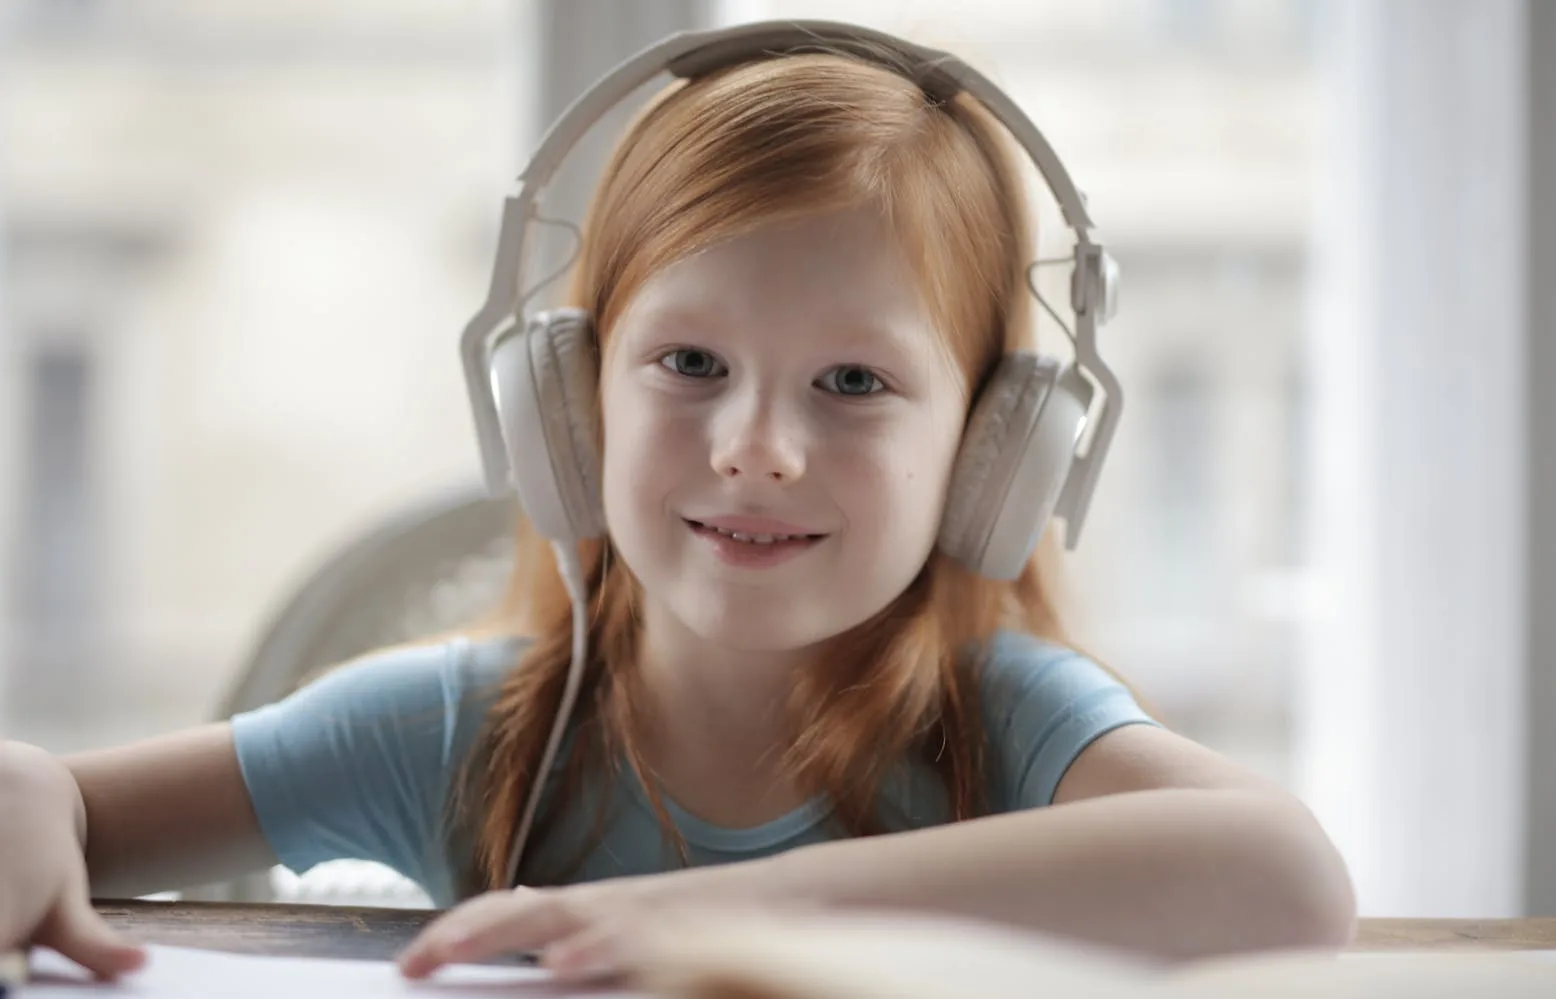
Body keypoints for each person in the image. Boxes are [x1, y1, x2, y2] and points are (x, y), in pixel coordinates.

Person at [0, 21, 1355, 987]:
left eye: (852, 380)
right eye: (691, 364)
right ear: (571, 405)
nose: (757, 447)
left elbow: (1281, 875)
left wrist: (695, 919)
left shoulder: (999, 723)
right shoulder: (452, 732)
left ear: (994, 449)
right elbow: (48, 792)